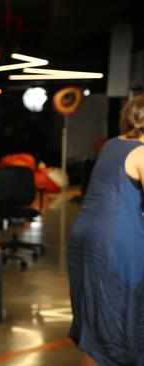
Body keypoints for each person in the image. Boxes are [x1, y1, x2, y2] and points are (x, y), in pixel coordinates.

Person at [68, 95, 144, 366]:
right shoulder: (143, 152)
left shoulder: (113, 144)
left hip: (85, 239)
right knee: (120, 322)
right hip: (116, 244)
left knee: (95, 325)